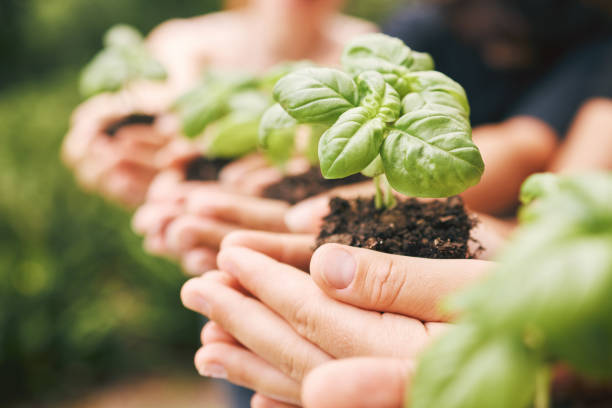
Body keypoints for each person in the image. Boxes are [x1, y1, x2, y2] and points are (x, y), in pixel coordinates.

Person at [62, 0, 376, 207]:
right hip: (212, 231)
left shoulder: (363, 44)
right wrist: (105, 134)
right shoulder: (189, 42)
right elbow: (156, 94)